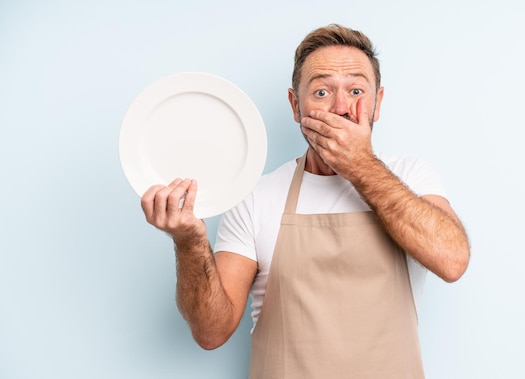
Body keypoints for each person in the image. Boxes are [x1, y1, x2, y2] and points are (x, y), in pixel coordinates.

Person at [141, 24, 470, 379]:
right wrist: (189, 241)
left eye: (357, 90)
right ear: (296, 106)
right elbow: (210, 332)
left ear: (378, 104)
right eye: (322, 91)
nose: (341, 108)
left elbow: (452, 261)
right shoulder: (256, 196)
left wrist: (360, 165)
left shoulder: (413, 178)